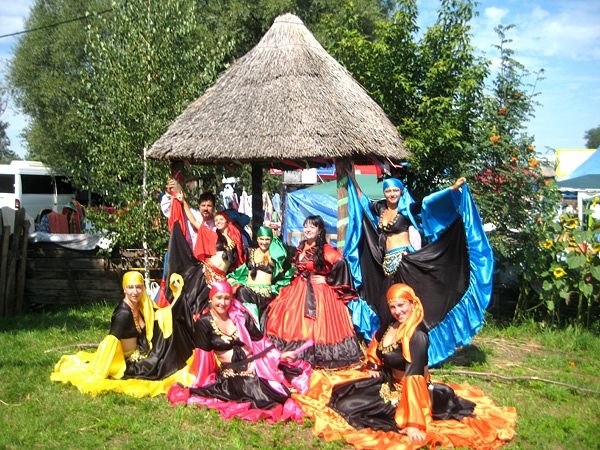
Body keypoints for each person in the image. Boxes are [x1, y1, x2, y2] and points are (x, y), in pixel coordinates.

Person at [294, 283, 516, 449]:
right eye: (393, 307)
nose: (398, 311)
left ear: (412, 303)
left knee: (356, 410)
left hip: (412, 396)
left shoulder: (417, 336)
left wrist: (413, 423)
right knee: (342, 396)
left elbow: (414, 377)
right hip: (389, 384)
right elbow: (377, 346)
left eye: (401, 305)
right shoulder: (391, 326)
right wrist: (373, 365)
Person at [167, 280, 311, 423]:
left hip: (256, 364)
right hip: (232, 372)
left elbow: (260, 341)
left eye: (227, 298)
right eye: (218, 297)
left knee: (275, 386)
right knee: (255, 388)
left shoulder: (240, 316)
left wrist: (280, 356)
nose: (222, 303)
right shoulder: (204, 323)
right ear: (211, 298)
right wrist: (201, 381)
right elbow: (203, 357)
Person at [51, 271, 197, 397]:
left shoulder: (142, 306)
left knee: (173, 329)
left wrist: (178, 292)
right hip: (129, 363)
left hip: (141, 351)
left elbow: (164, 314)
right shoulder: (123, 313)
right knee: (161, 364)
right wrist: (103, 369)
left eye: (138, 287)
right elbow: (111, 341)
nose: (135, 292)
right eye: (130, 287)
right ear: (124, 289)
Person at [266, 215, 363, 369]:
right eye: (306, 226)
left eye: (312, 227)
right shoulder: (302, 246)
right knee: (287, 318)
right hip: (297, 289)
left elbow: (341, 263)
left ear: (319, 230)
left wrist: (328, 279)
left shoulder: (325, 249)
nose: (308, 229)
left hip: (318, 293)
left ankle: (314, 354)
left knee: (316, 325)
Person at [228, 226, 294, 328]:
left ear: (271, 240)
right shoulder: (250, 252)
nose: (264, 242)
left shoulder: (274, 255)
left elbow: (287, 272)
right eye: (261, 239)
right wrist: (232, 278)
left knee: (263, 322)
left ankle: (256, 330)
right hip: (249, 291)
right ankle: (249, 328)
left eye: (267, 239)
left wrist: (277, 288)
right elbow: (243, 270)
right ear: (257, 239)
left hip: (265, 294)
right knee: (242, 292)